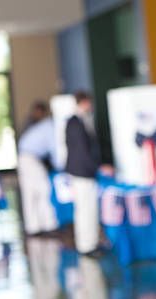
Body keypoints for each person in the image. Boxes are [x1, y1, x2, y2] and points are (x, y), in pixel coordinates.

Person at [65, 91, 102, 255]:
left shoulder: (79, 121)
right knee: (85, 209)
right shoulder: (75, 123)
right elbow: (81, 151)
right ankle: (86, 245)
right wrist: (95, 167)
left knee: (88, 208)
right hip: (82, 171)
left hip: (83, 170)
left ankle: (90, 243)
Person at [17, 100, 60, 235]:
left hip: (25, 158)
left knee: (31, 193)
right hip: (30, 158)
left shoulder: (39, 125)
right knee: (44, 190)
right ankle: (49, 226)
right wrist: (61, 167)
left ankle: (33, 227)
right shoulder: (49, 126)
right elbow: (54, 148)